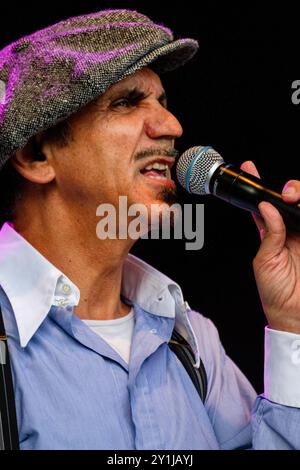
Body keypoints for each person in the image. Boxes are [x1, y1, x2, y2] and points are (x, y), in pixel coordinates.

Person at [0, 8, 300, 450]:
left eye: (163, 103)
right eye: (125, 102)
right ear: (37, 155)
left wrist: (291, 322)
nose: (172, 127)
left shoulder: (191, 338)